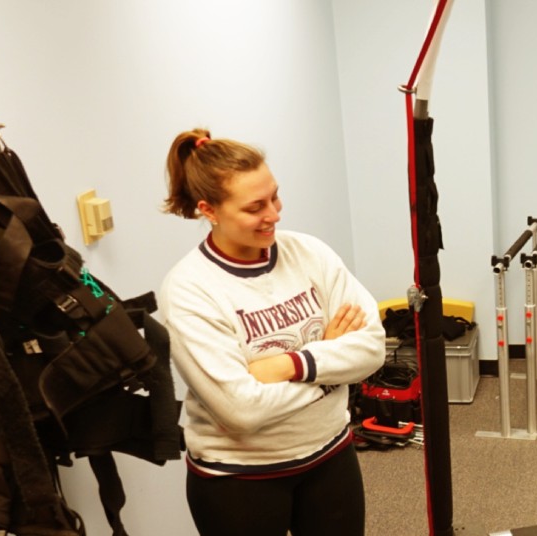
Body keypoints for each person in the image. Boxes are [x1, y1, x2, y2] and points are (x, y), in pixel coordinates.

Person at [159, 129, 385, 536]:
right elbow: (241, 410)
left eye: (275, 197)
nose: (274, 215)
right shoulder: (189, 289)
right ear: (209, 210)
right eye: (255, 207)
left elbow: (371, 348)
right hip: (240, 478)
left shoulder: (309, 253)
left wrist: (290, 364)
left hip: (330, 454)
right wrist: (331, 368)